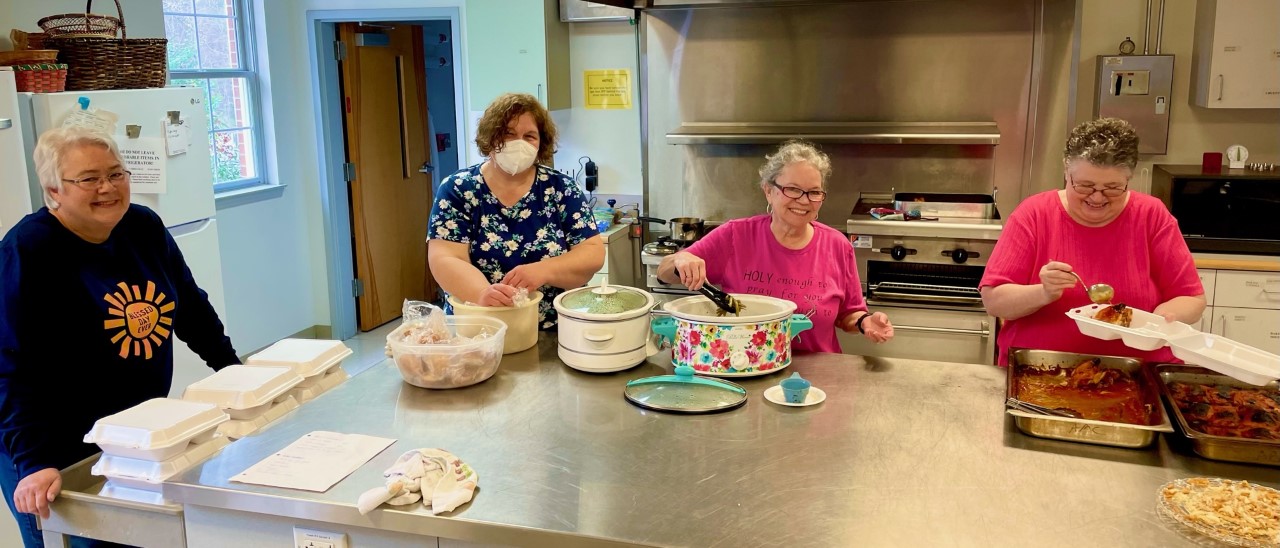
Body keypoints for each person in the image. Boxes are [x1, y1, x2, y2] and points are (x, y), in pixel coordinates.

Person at [0, 127, 240, 547]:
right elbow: (8, 365)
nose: (107, 187)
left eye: (116, 173)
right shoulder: (27, 251)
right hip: (50, 443)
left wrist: (233, 373)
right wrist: (33, 460)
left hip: (134, 433)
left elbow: (189, 304)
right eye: (89, 178)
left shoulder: (142, 226)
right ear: (54, 189)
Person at [979, 118, 1205, 365]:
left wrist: (1163, 319)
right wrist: (1043, 293)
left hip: (1138, 372)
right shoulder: (1034, 215)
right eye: (1085, 186)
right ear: (1066, 172)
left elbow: (1192, 299)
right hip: (1041, 369)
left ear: (1129, 179)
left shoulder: (1151, 215)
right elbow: (994, 302)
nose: (1097, 198)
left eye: (1112, 188)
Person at [656, 140, 893, 354]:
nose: (803, 200)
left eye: (814, 193)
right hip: (745, 368)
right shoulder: (736, 236)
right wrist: (680, 260)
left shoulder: (837, 246)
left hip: (818, 377)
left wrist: (865, 322)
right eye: (792, 189)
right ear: (769, 191)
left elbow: (847, 315)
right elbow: (664, 272)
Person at [428, 93, 604, 329]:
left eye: (529, 136)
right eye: (508, 134)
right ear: (490, 138)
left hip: (555, 329)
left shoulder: (560, 189)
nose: (518, 143)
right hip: (480, 327)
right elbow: (445, 257)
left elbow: (591, 253)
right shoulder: (459, 189)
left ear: (541, 143)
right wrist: (483, 293)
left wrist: (543, 270)